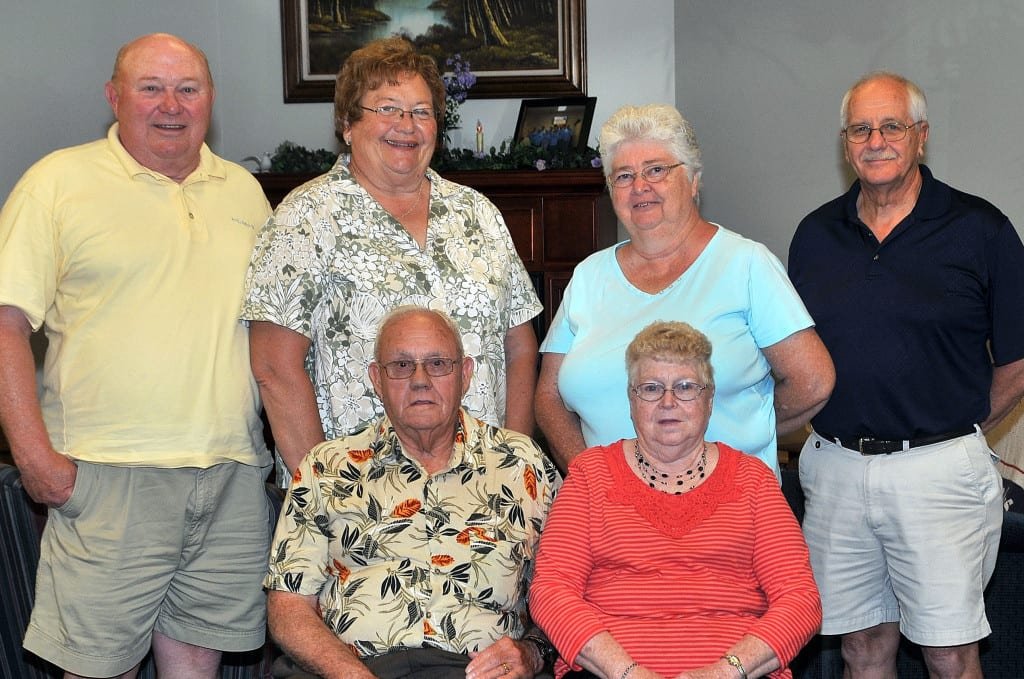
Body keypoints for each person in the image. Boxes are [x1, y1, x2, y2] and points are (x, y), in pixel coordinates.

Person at [0, 34, 273, 678]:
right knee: (98, 669)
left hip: (231, 473)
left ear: (211, 99)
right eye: (150, 87)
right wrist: (34, 456)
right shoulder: (57, 183)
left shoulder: (244, 192)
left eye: (189, 88)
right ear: (114, 96)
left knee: (199, 664)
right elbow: (5, 324)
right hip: (106, 476)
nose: (170, 104)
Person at [788, 71, 1024, 679]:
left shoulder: (981, 228)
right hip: (837, 471)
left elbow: (1019, 359)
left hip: (938, 473)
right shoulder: (815, 235)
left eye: (891, 125)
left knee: (950, 654)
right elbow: (793, 357)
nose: (876, 141)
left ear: (920, 136)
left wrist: (960, 425)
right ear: (846, 144)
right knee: (861, 648)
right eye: (861, 129)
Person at [242, 37, 541, 480]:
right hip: (361, 495)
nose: (407, 125)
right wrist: (326, 495)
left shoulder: (477, 213)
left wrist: (516, 469)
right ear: (347, 123)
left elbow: (519, 347)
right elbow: (274, 366)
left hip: (482, 493)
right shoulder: (304, 219)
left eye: (422, 112)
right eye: (387, 109)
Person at [535, 103, 834, 477]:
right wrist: (589, 475)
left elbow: (814, 381)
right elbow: (549, 396)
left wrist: (744, 431)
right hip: (614, 515)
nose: (640, 186)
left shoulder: (745, 265)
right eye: (623, 176)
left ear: (693, 180)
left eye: (656, 170)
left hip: (725, 509)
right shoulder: (588, 276)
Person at [265, 306, 561, 679]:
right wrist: (351, 675)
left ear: (465, 374)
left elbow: (567, 594)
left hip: (475, 671)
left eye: (438, 364)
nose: (420, 380)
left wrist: (532, 653)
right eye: (402, 366)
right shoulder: (326, 468)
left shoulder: (523, 465)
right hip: (352, 670)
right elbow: (288, 607)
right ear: (377, 378)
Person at [530, 321, 821, 679]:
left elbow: (800, 600)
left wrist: (725, 672)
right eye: (651, 388)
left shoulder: (753, 480)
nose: (668, 402)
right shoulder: (591, 475)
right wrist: (628, 673)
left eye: (685, 387)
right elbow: (551, 590)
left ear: (709, 399)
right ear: (631, 400)